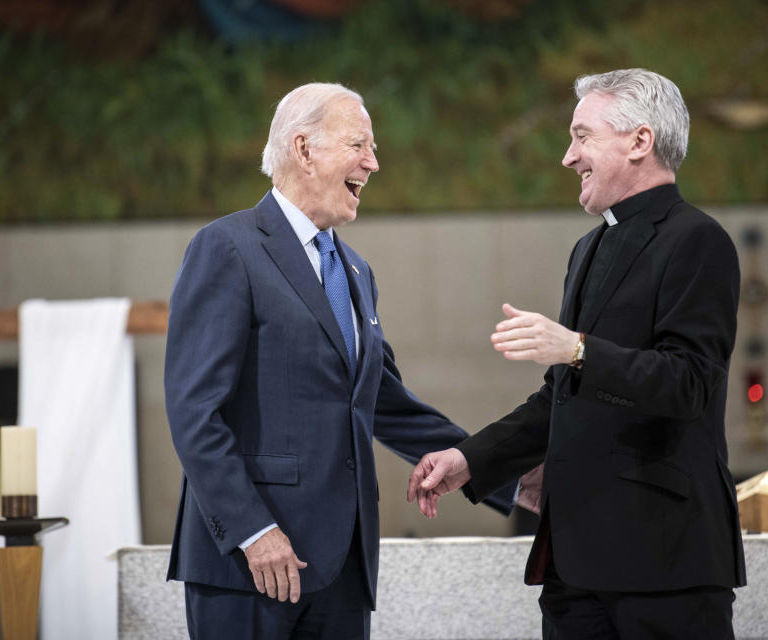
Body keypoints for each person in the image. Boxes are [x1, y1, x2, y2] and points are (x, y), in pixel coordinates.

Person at [164, 82, 514, 639]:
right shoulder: (227, 247)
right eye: (359, 145)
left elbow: (384, 403)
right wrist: (254, 531)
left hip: (345, 565)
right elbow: (193, 413)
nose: (373, 164)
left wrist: (502, 470)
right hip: (250, 563)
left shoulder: (355, 270)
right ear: (304, 149)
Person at [408, 69, 746, 638]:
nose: (568, 157)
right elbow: (560, 396)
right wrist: (472, 459)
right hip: (575, 568)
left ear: (640, 141)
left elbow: (691, 382)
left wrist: (579, 349)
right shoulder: (589, 248)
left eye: (581, 136)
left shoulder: (698, 240)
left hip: (664, 562)